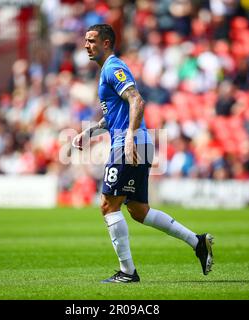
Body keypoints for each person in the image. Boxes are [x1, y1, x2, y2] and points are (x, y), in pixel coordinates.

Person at [72, 24, 214, 283]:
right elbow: (114, 117)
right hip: (137, 141)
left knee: (108, 205)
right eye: (85, 40)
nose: (86, 45)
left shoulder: (114, 68)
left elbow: (137, 100)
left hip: (129, 144)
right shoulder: (107, 71)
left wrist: (128, 138)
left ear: (106, 43)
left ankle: (127, 272)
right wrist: (90, 132)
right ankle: (198, 242)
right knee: (139, 210)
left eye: (91, 40)